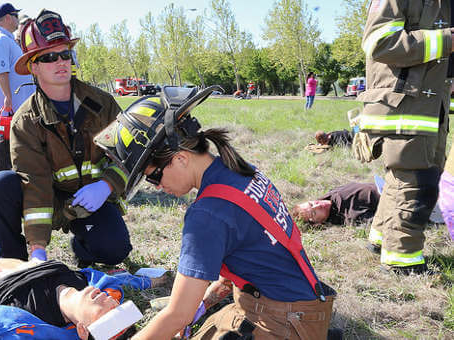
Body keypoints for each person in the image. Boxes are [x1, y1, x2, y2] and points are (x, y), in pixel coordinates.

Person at [95, 86, 336, 339]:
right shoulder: (237, 171)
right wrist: (201, 305)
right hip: (298, 306)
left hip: (283, 321)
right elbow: (249, 253)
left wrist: (182, 315)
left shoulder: (207, 214)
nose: (158, 187)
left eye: (154, 177)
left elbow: (178, 314)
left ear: (180, 158)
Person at [0, 10, 131, 268]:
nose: (61, 62)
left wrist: (106, 186)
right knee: (2, 185)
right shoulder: (26, 121)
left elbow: (128, 155)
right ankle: (14, 264)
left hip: (91, 197)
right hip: (49, 200)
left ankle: (83, 245)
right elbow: (35, 183)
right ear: (33, 66)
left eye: (65, 54)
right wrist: (38, 250)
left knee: (114, 249)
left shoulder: (103, 104)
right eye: (50, 57)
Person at [355, 0, 452, 274]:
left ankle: (379, 238)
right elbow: (380, 42)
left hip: (431, 108)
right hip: (405, 105)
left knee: (405, 177)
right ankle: (402, 259)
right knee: (416, 182)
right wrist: (447, 40)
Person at [0, 257, 160, 339]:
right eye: (116, 304)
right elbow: (114, 285)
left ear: (83, 331)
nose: (108, 301)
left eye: (106, 313)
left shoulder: (31, 320)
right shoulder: (86, 283)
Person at [0, 3, 35, 121]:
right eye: (16, 15)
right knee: (12, 139)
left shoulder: (7, 40)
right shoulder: (0, 40)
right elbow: (1, 71)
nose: (18, 19)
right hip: (13, 108)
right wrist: (8, 97)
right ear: (8, 17)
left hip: (19, 106)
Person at [292, 183, 380, 225]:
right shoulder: (349, 214)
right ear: (317, 223)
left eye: (311, 204)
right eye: (314, 213)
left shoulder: (330, 194)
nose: (318, 205)